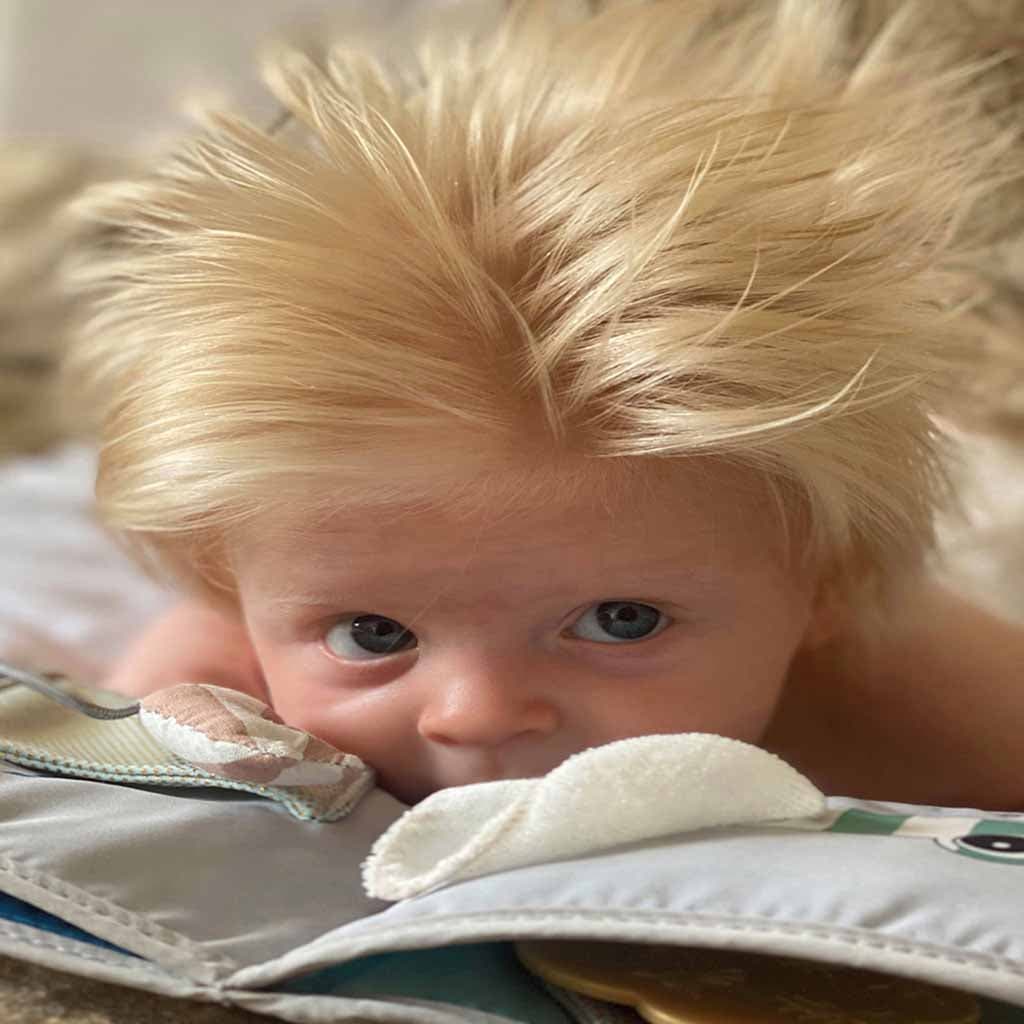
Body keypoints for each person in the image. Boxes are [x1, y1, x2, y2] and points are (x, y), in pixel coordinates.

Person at [67, 0, 1024, 808]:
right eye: (375, 636)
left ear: (825, 590)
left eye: (622, 621)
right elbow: (123, 766)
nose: (475, 714)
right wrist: (177, 719)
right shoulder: (260, 623)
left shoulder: (951, 716)